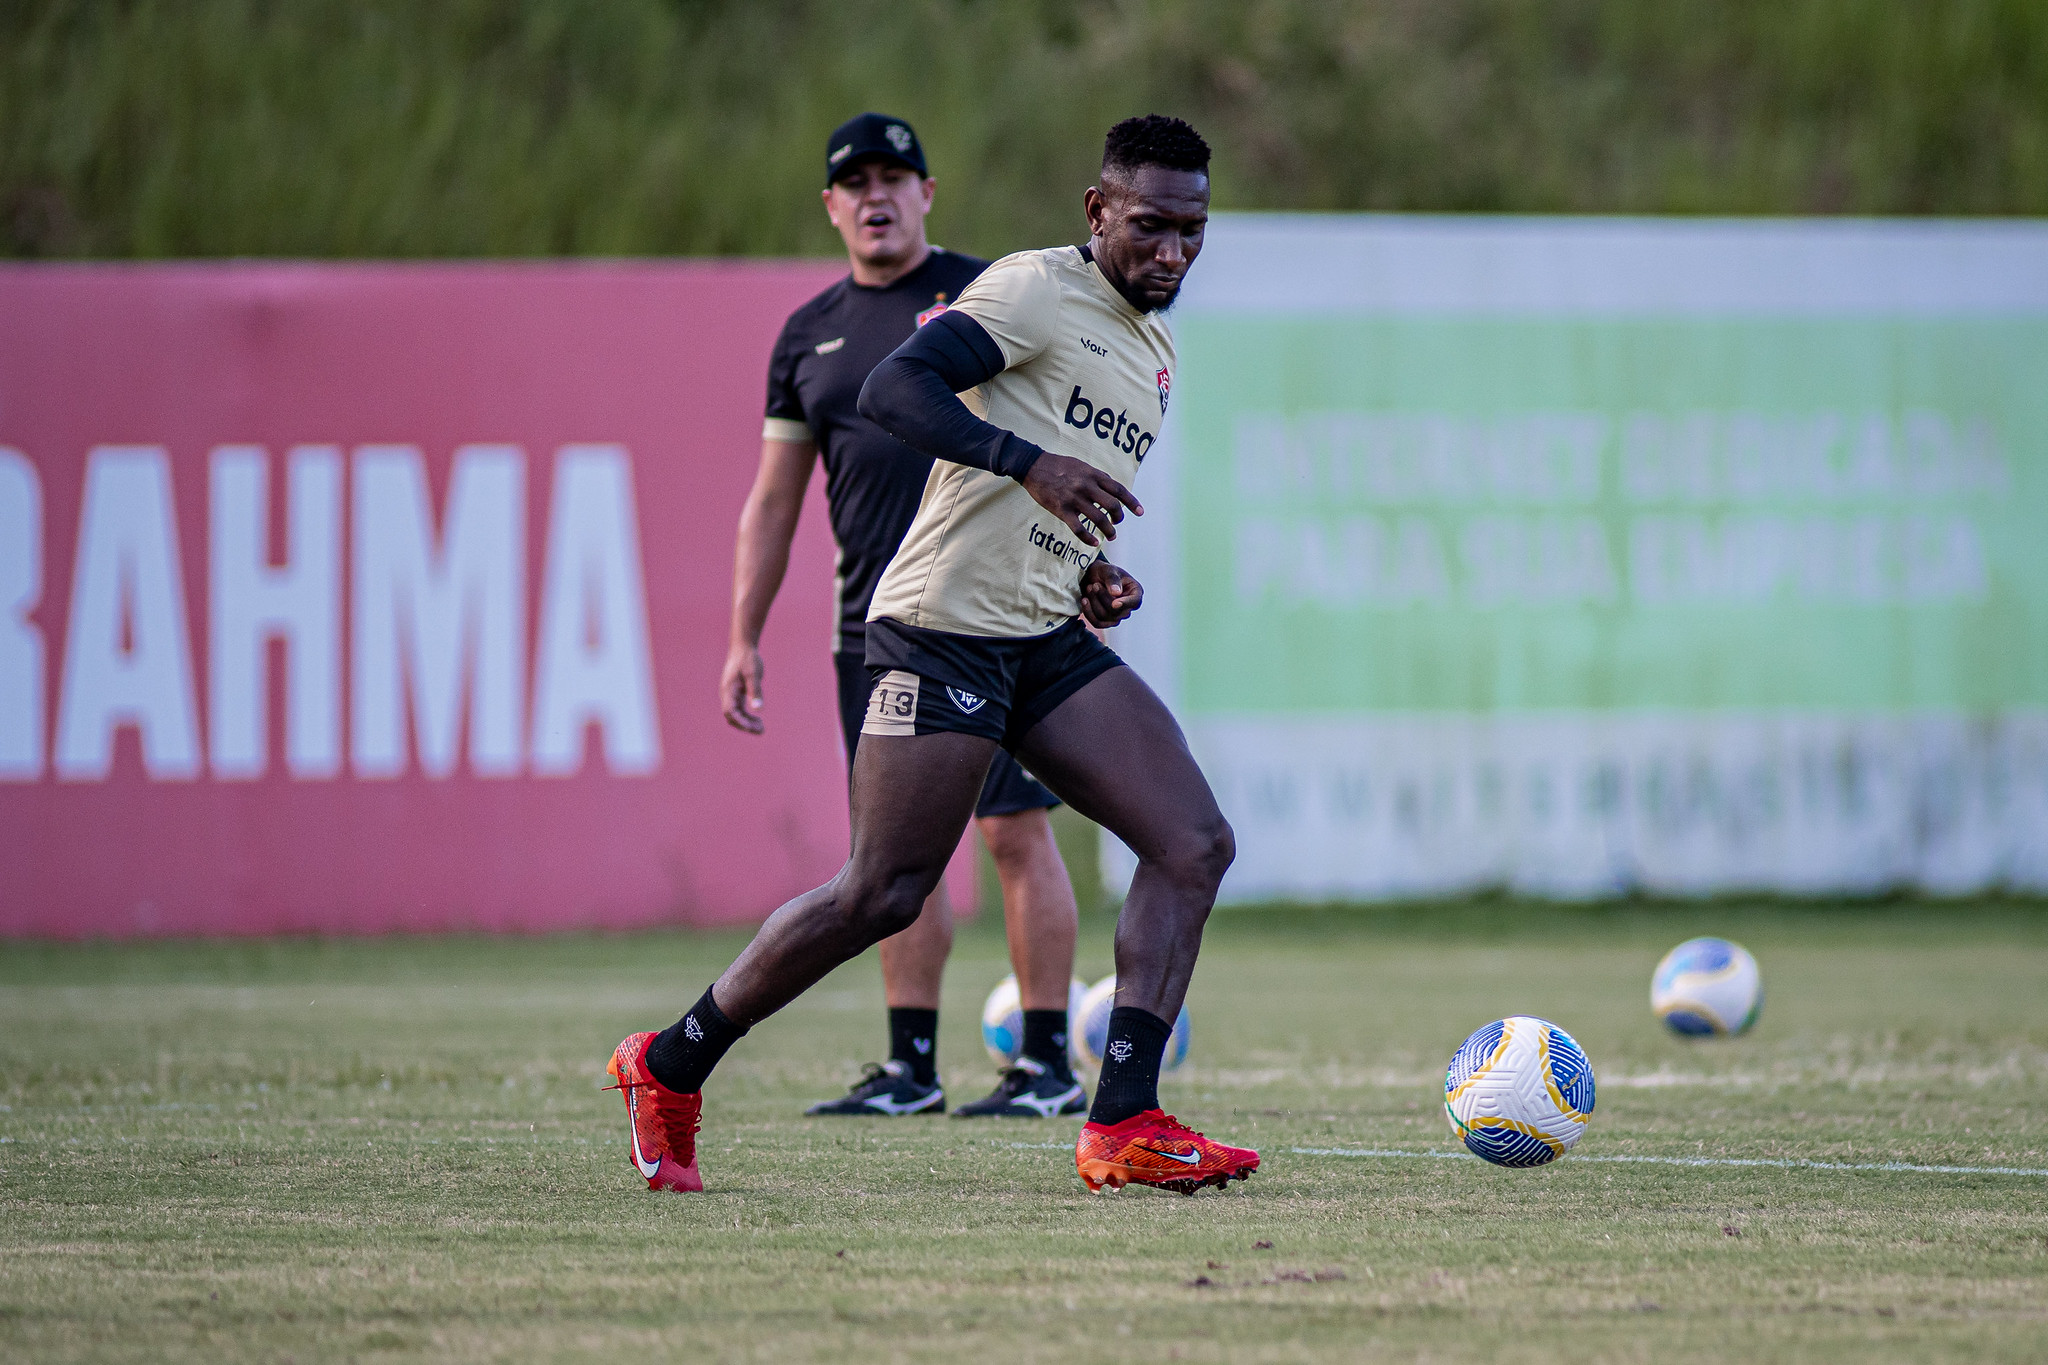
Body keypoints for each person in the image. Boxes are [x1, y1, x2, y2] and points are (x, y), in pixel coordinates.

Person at [609, 114, 1257, 1196]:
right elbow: (893, 390)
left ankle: (1124, 1122)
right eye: (1149, 225)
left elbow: (1055, 494)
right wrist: (1026, 464)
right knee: (884, 892)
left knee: (1191, 844)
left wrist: (1086, 567)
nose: (1171, 252)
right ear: (1096, 211)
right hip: (937, 628)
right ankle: (670, 1063)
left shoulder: (1153, 344)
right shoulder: (1029, 290)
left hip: (1041, 634)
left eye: (1191, 230)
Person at [724, 113, 1086, 1120]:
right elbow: (773, 499)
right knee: (889, 858)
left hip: (992, 613)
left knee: (1013, 831)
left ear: (929, 192)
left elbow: (1056, 443)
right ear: (831, 205)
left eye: (896, 177)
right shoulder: (807, 335)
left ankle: (1046, 1065)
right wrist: (742, 636)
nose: (875, 196)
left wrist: (1080, 566)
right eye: (855, 182)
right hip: (875, 631)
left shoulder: (985, 299)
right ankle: (909, 1069)